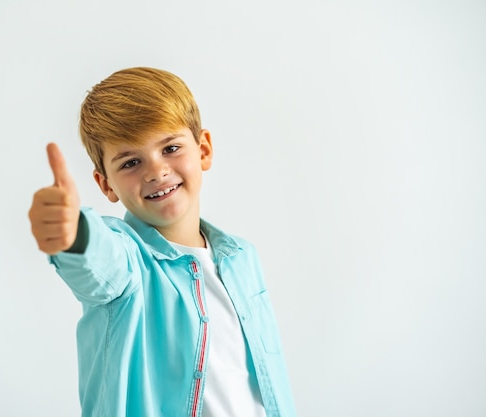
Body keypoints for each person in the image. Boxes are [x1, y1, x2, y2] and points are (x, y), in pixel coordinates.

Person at [28, 67, 296, 417]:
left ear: (203, 150)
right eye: (131, 162)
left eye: (170, 147)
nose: (156, 171)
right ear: (105, 184)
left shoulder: (243, 257)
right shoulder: (126, 262)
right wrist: (73, 231)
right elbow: (97, 261)